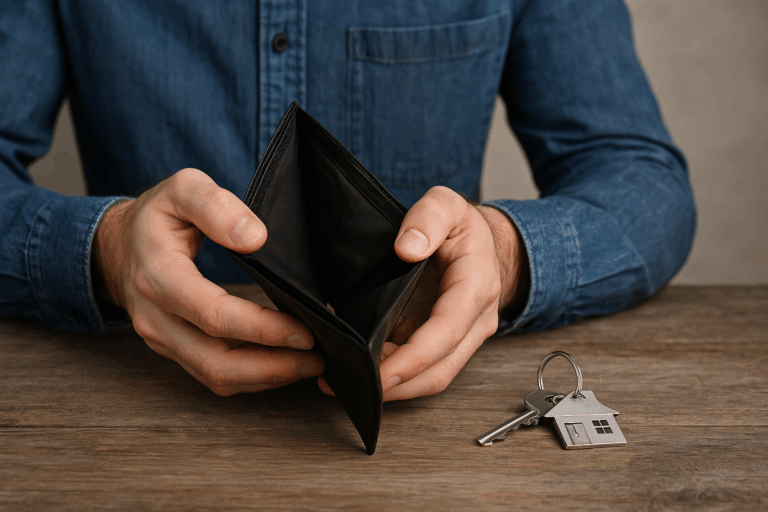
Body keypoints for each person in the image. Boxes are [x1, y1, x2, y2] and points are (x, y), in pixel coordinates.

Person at [0, 1, 695, 401]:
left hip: (431, 440)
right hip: (138, 413)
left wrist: (504, 255)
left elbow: (642, 179)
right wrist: (110, 249)